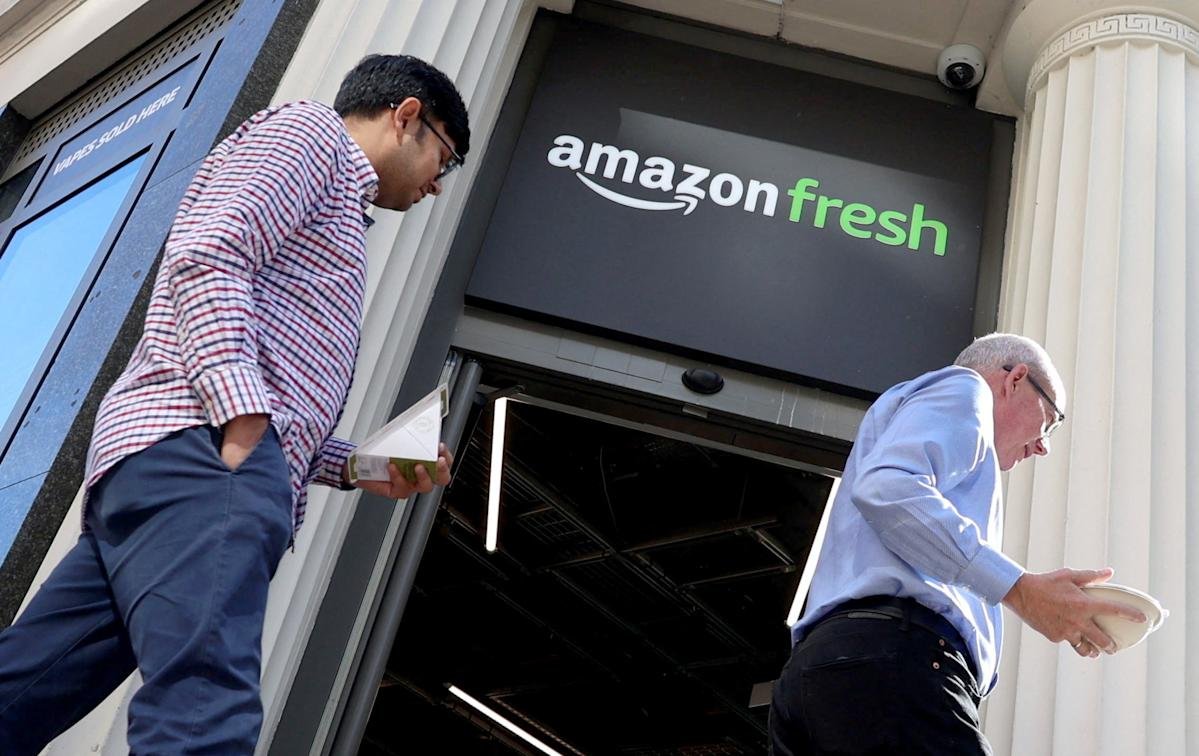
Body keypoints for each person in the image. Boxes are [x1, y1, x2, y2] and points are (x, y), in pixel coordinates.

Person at [0, 54, 468, 754]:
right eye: (445, 158)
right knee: (203, 712)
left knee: (22, 692)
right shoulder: (311, 137)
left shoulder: (338, 201)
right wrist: (243, 418)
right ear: (406, 116)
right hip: (204, 454)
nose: (437, 183)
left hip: (173, 460)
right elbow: (209, 253)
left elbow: (281, 389)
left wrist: (362, 466)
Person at [769, 333, 1148, 755]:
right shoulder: (966, 389)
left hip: (820, 675)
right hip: (894, 663)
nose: (1044, 445)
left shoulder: (911, 418)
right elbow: (888, 489)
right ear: (1015, 380)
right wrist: (1019, 589)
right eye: (1051, 419)